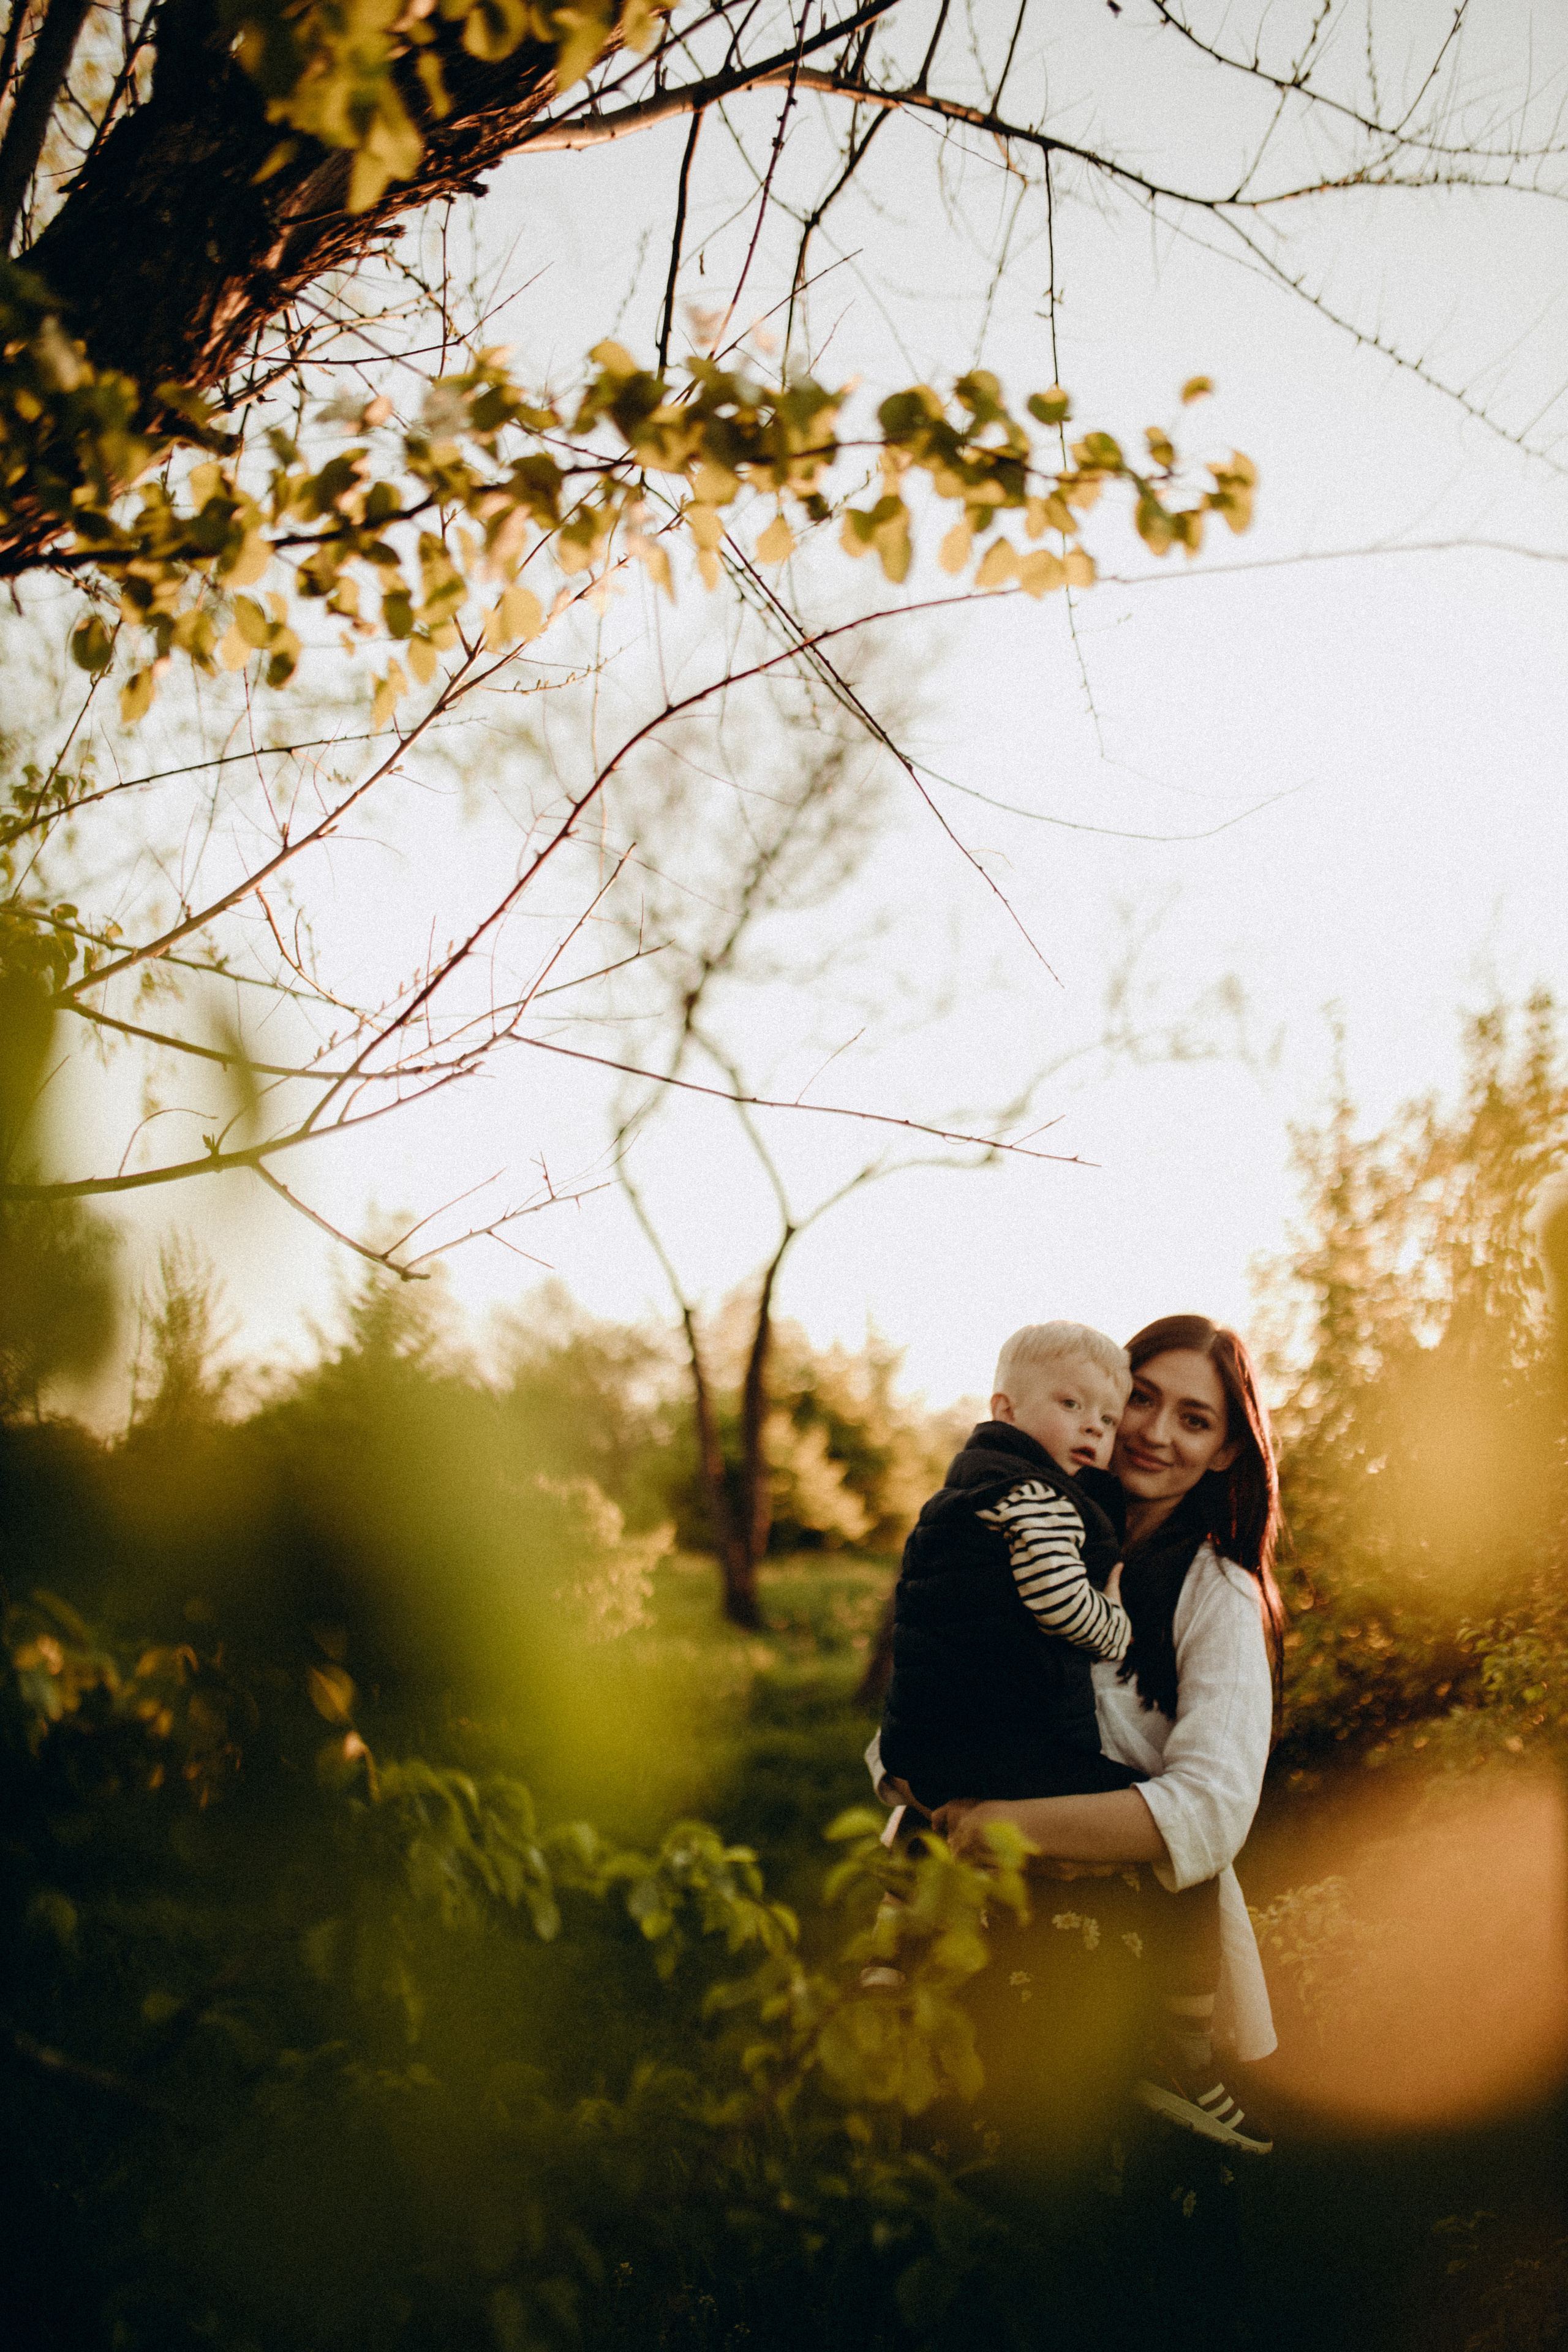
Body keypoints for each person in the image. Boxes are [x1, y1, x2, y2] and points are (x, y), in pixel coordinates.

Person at [867, 1314, 1284, 2158]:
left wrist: (1004, 1826)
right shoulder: (1019, 1522)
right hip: (964, 1899)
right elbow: (927, 1691)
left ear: (1228, 1451)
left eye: (1194, 1420)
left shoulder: (1218, 1595)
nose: (1152, 1433)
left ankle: (1181, 2059)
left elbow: (1210, 1808)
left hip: (1112, 1945)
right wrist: (926, 1784)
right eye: (1140, 1399)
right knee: (945, 2172)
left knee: (1081, 2184)